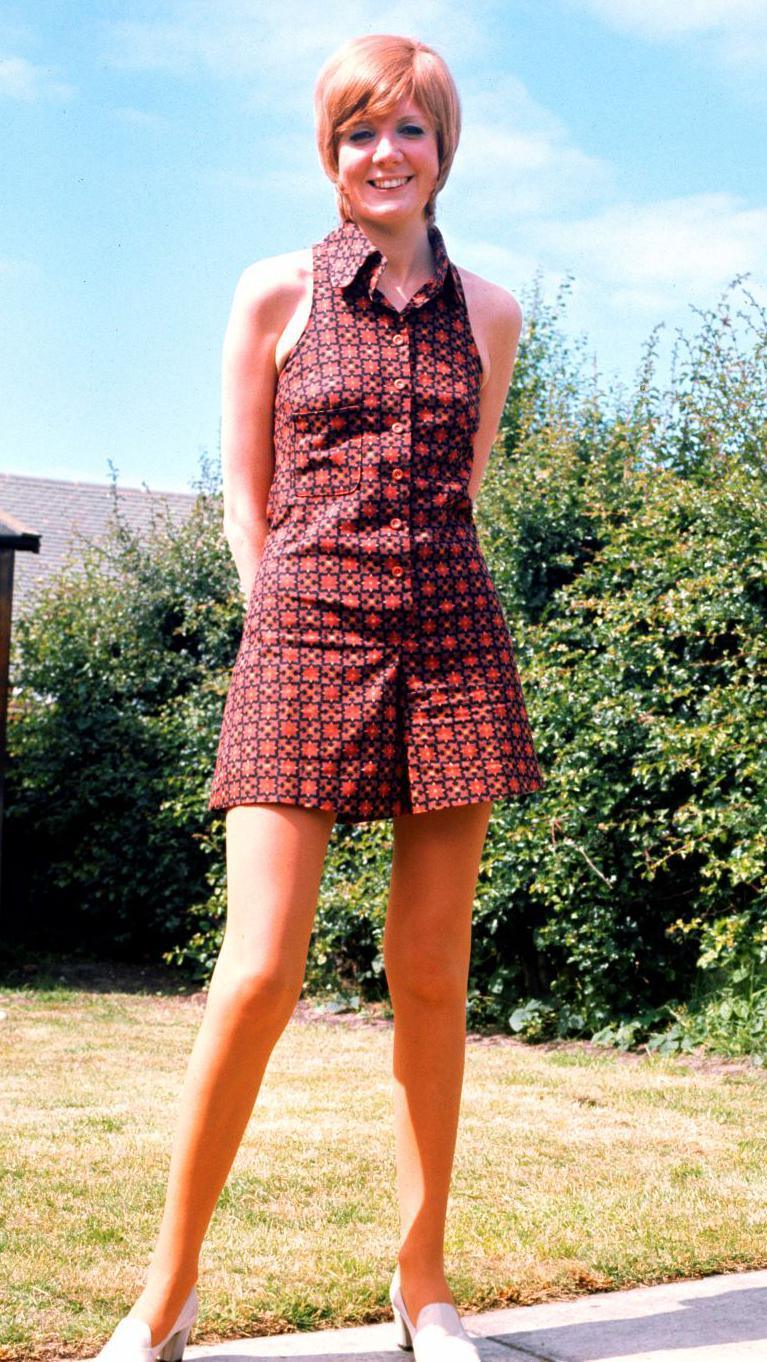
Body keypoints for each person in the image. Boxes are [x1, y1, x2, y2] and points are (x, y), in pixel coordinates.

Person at [93, 31, 544, 1362]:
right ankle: (165, 1294)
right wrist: (284, 617)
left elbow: (464, 492)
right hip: (302, 638)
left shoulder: (495, 315)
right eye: (359, 132)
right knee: (259, 969)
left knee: (434, 973)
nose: (383, 154)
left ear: (443, 150)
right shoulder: (272, 294)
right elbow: (245, 500)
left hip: (451, 641)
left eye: (408, 130)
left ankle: (425, 1286)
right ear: (329, 151)